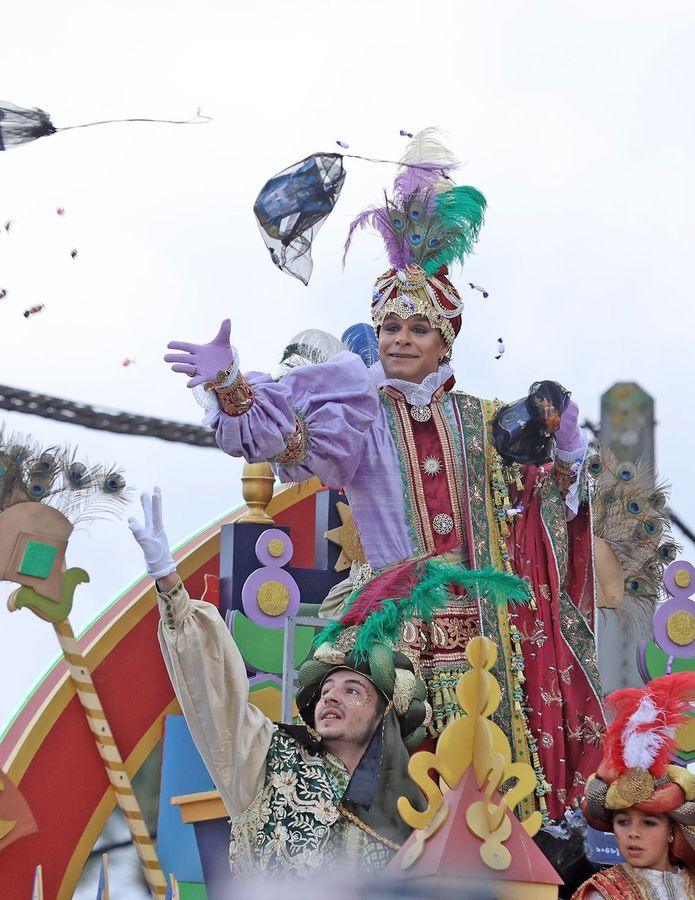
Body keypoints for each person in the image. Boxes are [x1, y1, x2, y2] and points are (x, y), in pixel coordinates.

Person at [163, 130, 607, 819]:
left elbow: (545, 512)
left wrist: (568, 454)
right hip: (391, 637)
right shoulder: (359, 412)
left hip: (490, 637)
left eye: (417, 328)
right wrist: (233, 389)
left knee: (496, 806)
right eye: (389, 324)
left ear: (445, 341)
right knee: (385, 805)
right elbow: (295, 442)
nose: (400, 337)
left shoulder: (487, 421)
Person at [128, 488, 426, 876]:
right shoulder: (271, 760)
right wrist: (169, 583)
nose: (331, 695)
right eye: (326, 688)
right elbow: (214, 693)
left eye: (352, 690)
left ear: (383, 715)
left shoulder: (413, 816)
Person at [575, 671, 695, 899]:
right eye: (623, 822)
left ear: (672, 831)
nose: (633, 833)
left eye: (649, 823)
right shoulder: (604, 894)